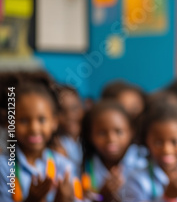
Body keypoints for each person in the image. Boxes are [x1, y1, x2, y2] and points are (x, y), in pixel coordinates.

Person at [0, 74, 78, 202]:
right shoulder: (4, 168)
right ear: (10, 123)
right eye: (24, 120)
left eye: (42, 120)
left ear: (54, 122)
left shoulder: (64, 166)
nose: (34, 129)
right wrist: (31, 200)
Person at [122, 93, 177, 202]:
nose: (166, 150)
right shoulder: (136, 180)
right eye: (158, 142)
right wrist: (167, 197)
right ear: (146, 140)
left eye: (174, 142)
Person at [80, 100, 147, 202]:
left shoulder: (143, 159)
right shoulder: (87, 166)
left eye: (119, 132)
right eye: (102, 133)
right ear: (90, 135)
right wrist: (102, 195)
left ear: (131, 131)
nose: (111, 139)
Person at [55, 84, 85, 172]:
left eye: (74, 108)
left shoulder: (89, 139)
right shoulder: (55, 146)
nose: (70, 116)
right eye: (61, 110)